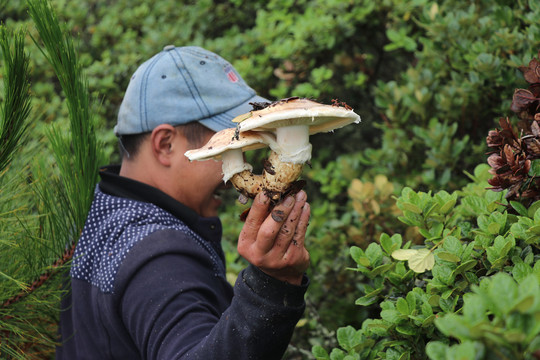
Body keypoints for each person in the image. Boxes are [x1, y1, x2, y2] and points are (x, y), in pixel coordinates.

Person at [56, 45, 311, 359]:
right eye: (231, 142)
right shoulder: (158, 258)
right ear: (166, 145)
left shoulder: (105, 209)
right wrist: (272, 285)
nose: (245, 159)